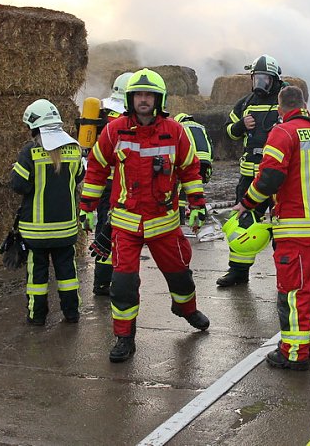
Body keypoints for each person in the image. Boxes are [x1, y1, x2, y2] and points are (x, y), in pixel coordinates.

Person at [79, 68, 210, 363]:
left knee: (180, 277)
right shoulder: (114, 131)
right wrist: (86, 207)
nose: (143, 100)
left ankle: (186, 310)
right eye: (138, 94)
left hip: (164, 222)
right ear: (130, 98)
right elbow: (97, 169)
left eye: (148, 95)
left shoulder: (175, 132)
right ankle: (125, 338)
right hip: (126, 223)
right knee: (123, 284)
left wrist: (197, 204)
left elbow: (189, 169)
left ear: (158, 99)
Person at [234, 85, 310, 370]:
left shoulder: (283, 132)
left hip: (296, 227)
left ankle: (293, 352)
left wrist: (247, 203)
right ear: (305, 103)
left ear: (280, 109)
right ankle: (309, 343)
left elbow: (269, 178)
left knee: (293, 293)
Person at [10, 99, 84, 326]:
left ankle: (37, 316)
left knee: (37, 276)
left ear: (34, 127)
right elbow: (79, 177)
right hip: (66, 228)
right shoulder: (74, 148)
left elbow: (18, 185)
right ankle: (71, 314)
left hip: (36, 230)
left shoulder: (29, 151)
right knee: (68, 273)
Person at [217, 54, 286, 287]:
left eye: (265, 79)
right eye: (257, 78)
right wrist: (240, 125)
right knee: (243, 221)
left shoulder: (284, 101)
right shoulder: (245, 103)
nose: (259, 84)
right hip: (249, 175)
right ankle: (238, 271)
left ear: (275, 79)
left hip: (278, 178)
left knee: (282, 224)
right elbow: (228, 132)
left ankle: (285, 275)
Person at [88, 71, 134, 296]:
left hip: (102, 181)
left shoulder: (99, 110)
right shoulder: (128, 116)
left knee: (104, 228)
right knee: (117, 232)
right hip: (121, 183)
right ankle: (105, 282)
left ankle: (104, 280)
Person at [174, 113, 214, 227]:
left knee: (181, 189)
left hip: (191, 159)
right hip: (205, 159)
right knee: (197, 188)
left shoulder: (179, 127)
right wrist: (210, 163)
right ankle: (202, 215)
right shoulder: (200, 127)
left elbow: (180, 146)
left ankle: (180, 218)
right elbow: (210, 145)